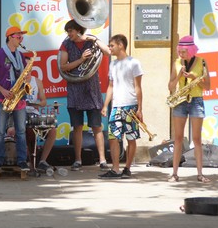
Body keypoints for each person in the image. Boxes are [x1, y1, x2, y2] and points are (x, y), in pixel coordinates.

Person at [58, 19, 111, 171]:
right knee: (77, 127)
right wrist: (82, 59)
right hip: (75, 91)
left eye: (71, 31)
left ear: (78, 30)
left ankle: (102, 160)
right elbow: (63, 67)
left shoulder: (91, 41)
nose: (69, 34)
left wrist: (93, 38)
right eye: (67, 31)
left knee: (97, 127)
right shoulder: (66, 44)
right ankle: (78, 160)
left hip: (91, 90)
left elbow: (107, 52)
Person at [167, 36, 211, 183]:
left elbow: (208, 86)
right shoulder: (177, 63)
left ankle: (200, 174)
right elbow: (170, 87)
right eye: (180, 51)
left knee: (197, 139)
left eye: (184, 52)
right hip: (181, 101)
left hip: (196, 101)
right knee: (178, 138)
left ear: (191, 50)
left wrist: (194, 77)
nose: (181, 54)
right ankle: (174, 173)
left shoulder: (202, 62)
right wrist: (179, 75)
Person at [99, 34, 143, 179]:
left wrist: (140, 108)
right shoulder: (112, 64)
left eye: (112, 45)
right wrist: (106, 105)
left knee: (131, 138)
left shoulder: (134, 63)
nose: (110, 48)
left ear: (120, 45)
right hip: (116, 106)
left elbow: (138, 87)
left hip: (130, 105)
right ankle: (115, 168)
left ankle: (128, 168)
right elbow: (110, 86)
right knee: (113, 137)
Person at [0, 26, 30, 172]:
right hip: (2, 98)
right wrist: (3, 90)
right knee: (0, 131)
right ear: (10, 37)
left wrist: (27, 78)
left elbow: (26, 76)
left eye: (21, 37)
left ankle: (22, 161)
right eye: (19, 37)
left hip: (19, 99)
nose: (21, 39)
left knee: (21, 131)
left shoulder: (21, 56)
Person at [23, 58, 57, 173]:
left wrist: (33, 103)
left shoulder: (37, 81)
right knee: (27, 131)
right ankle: (28, 161)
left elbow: (43, 102)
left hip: (33, 113)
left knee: (52, 129)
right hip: (20, 114)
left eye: (29, 65)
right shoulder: (16, 81)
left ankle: (42, 161)